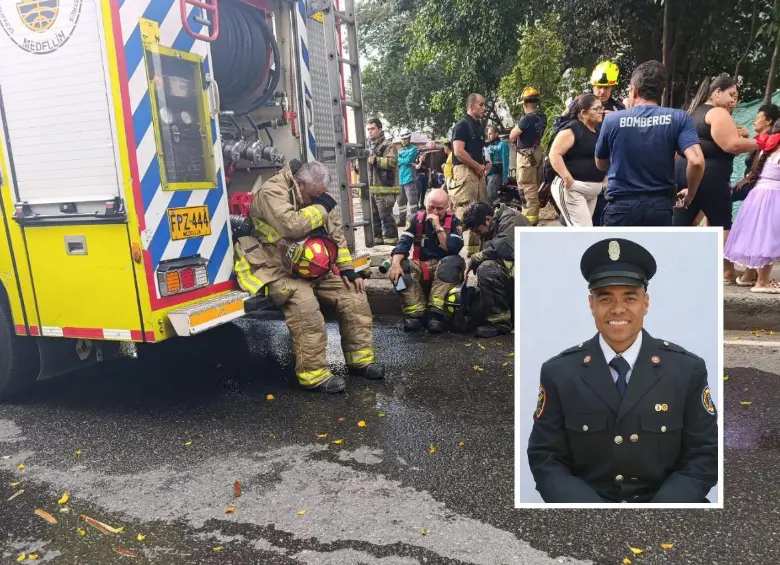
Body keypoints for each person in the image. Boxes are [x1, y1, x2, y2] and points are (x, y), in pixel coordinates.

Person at [527, 238, 718, 503]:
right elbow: (545, 457)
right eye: (606, 298)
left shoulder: (686, 369)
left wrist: (660, 514)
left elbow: (705, 454)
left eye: (630, 297)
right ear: (591, 304)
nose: (618, 308)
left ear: (646, 303)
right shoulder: (559, 372)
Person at [233, 160, 385, 394]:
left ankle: (360, 362)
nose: (319, 200)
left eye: (321, 196)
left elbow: (336, 237)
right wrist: (321, 207)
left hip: (313, 264)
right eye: (315, 195)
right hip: (275, 264)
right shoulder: (272, 191)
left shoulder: (318, 197)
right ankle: (314, 375)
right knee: (305, 308)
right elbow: (292, 227)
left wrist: (347, 269)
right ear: (300, 184)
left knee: (354, 295)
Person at [594, 60, 705, 226]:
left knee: (620, 252)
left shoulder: (611, 120)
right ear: (662, 91)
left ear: (634, 90)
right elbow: (696, 161)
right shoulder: (679, 118)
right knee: (654, 252)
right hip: (660, 206)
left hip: (620, 206)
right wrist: (690, 195)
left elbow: (601, 164)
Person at [673, 75, 758, 283]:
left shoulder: (693, 113)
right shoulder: (717, 112)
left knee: (683, 223)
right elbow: (732, 145)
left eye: (736, 97)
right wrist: (761, 142)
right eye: (731, 94)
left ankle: (678, 267)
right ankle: (727, 271)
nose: (733, 101)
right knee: (721, 223)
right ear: (717, 92)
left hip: (684, 175)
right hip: (710, 178)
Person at [387, 188, 465, 333]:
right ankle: (415, 313)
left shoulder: (454, 222)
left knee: (451, 263)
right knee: (399, 269)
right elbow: (403, 244)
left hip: (444, 266)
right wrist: (395, 263)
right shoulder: (417, 219)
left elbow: (453, 248)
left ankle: (437, 315)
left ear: (447, 207)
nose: (434, 211)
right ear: (425, 204)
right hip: (421, 265)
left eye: (439, 208)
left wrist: (437, 227)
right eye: (431, 207)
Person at [724, 121, 780, 292]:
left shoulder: (766, 147)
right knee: (769, 238)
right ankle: (762, 282)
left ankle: (749, 275)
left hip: (757, 195)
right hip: (773, 196)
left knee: (756, 235)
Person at [462, 202, 529, 338]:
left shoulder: (512, 220)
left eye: (477, 230)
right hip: (515, 277)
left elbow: (501, 248)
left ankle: (500, 323)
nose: (477, 234)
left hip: (528, 276)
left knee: (487, 269)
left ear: (488, 219)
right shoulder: (492, 225)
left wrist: (476, 258)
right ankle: (507, 316)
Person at [549, 94, 606, 227]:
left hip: (592, 191)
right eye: (596, 109)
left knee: (582, 231)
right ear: (584, 113)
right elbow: (554, 154)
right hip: (574, 188)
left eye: (601, 108)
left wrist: (604, 178)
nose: (601, 111)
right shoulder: (573, 129)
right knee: (583, 231)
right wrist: (567, 178)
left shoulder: (597, 130)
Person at [451, 93, 490, 256]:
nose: (484, 108)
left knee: (479, 211)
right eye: (481, 105)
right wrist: (476, 166)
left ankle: (474, 252)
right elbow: (458, 151)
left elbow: (479, 148)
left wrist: (485, 162)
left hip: (478, 171)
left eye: (484, 105)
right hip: (465, 172)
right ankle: (452, 248)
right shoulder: (462, 126)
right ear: (471, 106)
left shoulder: (479, 126)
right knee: (464, 211)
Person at [510, 87, 547, 226]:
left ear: (525, 104)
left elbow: (512, 135)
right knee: (533, 185)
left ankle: (529, 221)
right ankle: (531, 216)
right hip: (537, 152)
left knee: (527, 187)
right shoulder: (542, 118)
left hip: (526, 155)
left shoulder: (525, 120)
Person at [365, 118, 399, 245]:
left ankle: (391, 244)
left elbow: (392, 162)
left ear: (380, 129)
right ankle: (378, 242)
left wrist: (377, 160)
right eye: (368, 129)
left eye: (373, 129)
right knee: (375, 219)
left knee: (386, 218)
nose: (370, 132)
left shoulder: (388, 145)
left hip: (386, 190)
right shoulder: (367, 146)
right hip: (372, 191)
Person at [397, 129, 419, 227]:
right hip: (400, 178)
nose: (404, 141)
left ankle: (414, 220)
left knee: (412, 201)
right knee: (401, 201)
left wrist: (401, 159)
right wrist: (402, 159)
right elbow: (397, 160)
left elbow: (408, 160)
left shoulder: (413, 149)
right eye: (402, 139)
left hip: (409, 178)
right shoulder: (399, 150)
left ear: (409, 138)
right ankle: (402, 220)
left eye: (405, 139)